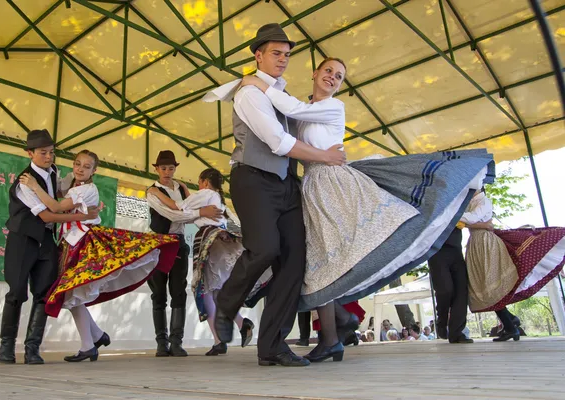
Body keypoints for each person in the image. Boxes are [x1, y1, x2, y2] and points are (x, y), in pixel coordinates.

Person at [239, 52, 493, 361]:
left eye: (339, 76)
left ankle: (337, 330)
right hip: (311, 187)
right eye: (328, 70)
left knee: (337, 253)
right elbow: (286, 132)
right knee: (319, 261)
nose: (332, 76)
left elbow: (291, 107)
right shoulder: (302, 114)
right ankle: (335, 332)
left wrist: (256, 82)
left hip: (333, 183)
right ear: (315, 74)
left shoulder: (333, 106)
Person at [203, 23, 346, 367]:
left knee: (294, 262)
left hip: (286, 184)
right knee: (265, 248)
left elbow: (298, 117)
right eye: (275, 53)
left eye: (287, 54)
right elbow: (278, 142)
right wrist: (326, 157)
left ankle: (272, 346)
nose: (282, 59)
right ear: (258, 55)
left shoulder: (279, 94)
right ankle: (226, 305)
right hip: (252, 178)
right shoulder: (249, 92)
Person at [20, 150, 180, 362]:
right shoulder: (74, 186)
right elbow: (58, 193)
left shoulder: (87, 189)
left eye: (86, 167)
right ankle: (94, 338)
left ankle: (92, 341)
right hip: (70, 242)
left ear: (94, 171)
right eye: (77, 164)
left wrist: (34, 186)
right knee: (71, 293)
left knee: (71, 292)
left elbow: (57, 206)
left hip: (84, 243)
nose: (80, 169)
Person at [0, 130, 99, 365]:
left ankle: (33, 348)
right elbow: (47, 216)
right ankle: (6, 347)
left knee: (44, 294)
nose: (48, 157)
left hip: (46, 243)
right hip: (22, 240)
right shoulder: (25, 182)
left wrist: (84, 212)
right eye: (43, 153)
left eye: (51, 152)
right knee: (16, 293)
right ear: (30, 153)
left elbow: (63, 200)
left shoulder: (54, 173)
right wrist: (83, 216)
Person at [147, 168, 267, 356]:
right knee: (216, 291)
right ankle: (239, 325)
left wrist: (156, 193)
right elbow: (192, 204)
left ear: (204, 182)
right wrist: (187, 192)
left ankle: (222, 338)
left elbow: (178, 206)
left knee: (205, 291)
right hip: (219, 240)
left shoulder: (205, 194)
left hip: (209, 240)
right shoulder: (216, 197)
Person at [460, 188, 565, 342]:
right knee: (485, 287)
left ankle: (510, 325)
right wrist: (474, 224)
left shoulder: (483, 201)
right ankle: (510, 322)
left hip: (485, 243)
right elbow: (478, 223)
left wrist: (458, 220)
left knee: (490, 286)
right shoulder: (471, 203)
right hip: (477, 243)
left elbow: (473, 219)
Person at [145, 150, 223, 357]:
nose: (167, 172)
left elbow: (187, 213)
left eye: (171, 168)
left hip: (178, 242)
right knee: (158, 294)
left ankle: (176, 341)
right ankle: (161, 342)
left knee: (178, 292)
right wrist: (199, 213)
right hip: (159, 242)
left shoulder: (181, 187)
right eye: (163, 168)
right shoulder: (152, 191)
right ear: (156, 169)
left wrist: (198, 213)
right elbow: (171, 213)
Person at [429, 226, 474, 344]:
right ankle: (442, 320)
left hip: (456, 251)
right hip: (436, 250)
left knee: (461, 292)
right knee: (445, 289)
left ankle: (457, 333)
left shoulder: (457, 208)